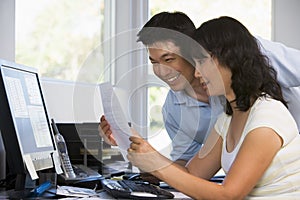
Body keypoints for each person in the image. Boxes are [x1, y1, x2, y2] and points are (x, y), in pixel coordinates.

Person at [127, 16, 300, 199]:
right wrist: (140, 148)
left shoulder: (267, 115)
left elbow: (228, 196)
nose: (196, 72)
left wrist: (155, 162)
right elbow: (192, 174)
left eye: (202, 61)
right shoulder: (226, 120)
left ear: (230, 58)